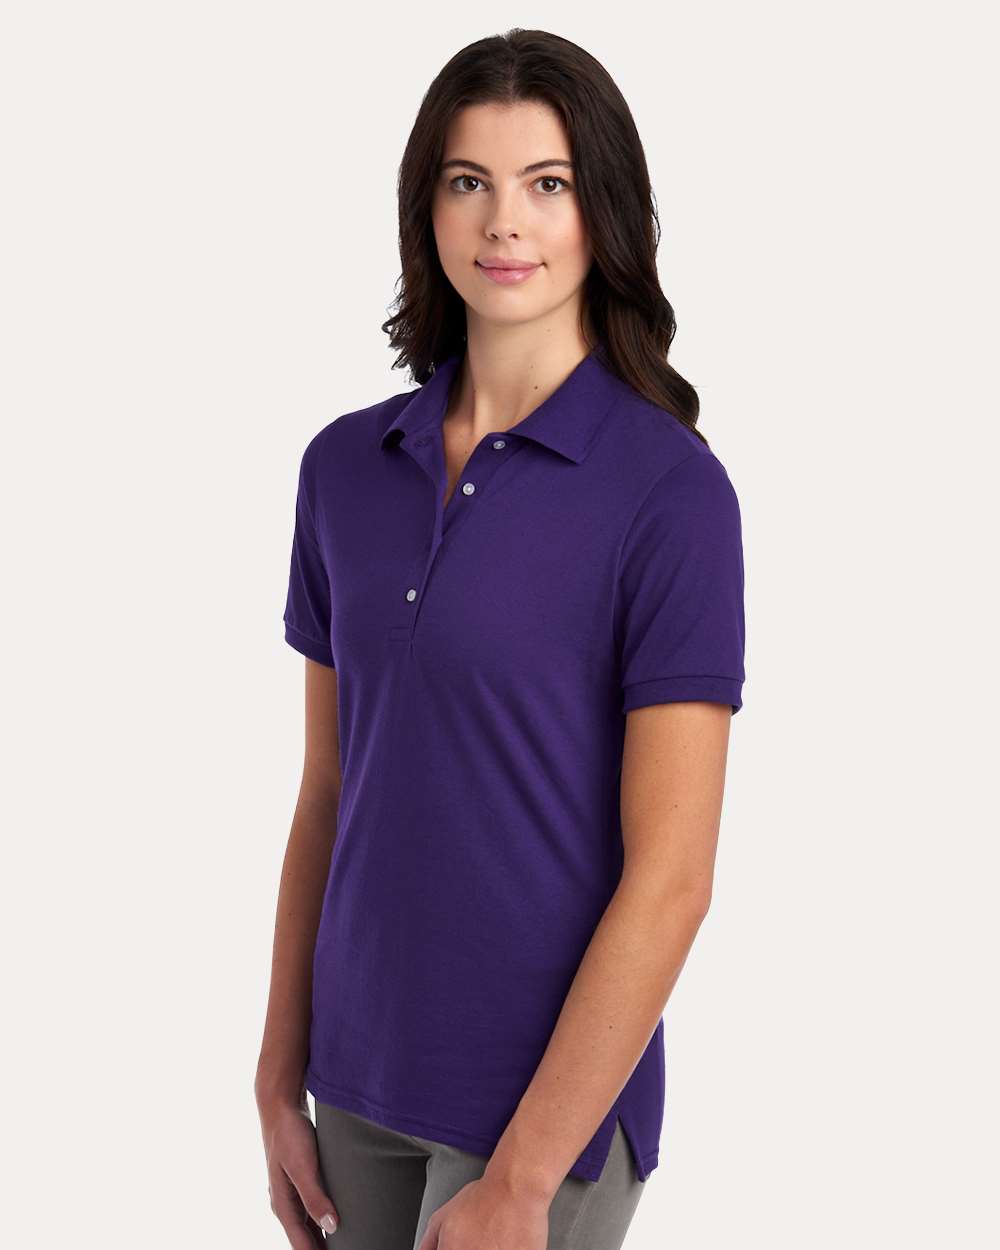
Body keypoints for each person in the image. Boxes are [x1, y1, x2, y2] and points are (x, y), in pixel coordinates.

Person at [255, 27, 747, 1250]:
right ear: (426, 205)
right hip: (354, 1083)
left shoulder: (670, 493)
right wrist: (276, 1073)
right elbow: (329, 788)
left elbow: (672, 877)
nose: (503, 222)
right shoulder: (342, 468)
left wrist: (525, 1176)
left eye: (548, 183)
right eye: (468, 180)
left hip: (541, 1115)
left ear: (603, 213)